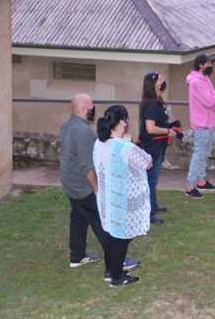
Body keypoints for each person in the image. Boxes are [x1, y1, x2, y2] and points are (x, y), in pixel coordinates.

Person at [92, 105, 153, 287]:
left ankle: (110, 270)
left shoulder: (99, 142)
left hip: (106, 198)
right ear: (122, 122)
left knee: (111, 234)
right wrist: (131, 143)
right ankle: (117, 278)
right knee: (121, 238)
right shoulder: (125, 147)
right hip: (122, 199)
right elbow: (147, 163)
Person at [60, 93, 108, 268]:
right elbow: (87, 166)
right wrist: (97, 189)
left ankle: (77, 256)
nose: (93, 109)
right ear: (83, 108)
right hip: (82, 185)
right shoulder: (83, 131)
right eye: (91, 106)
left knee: (79, 218)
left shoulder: (67, 126)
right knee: (101, 220)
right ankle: (117, 260)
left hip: (69, 182)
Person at [138, 72, 177, 224]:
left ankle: (153, 205)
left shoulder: (157, 100)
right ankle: (150, 212)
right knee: (150, 180)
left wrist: (171, 128)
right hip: (151, 146)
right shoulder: (152, 103)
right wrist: (168, 131)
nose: (163, 81)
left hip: (157, 145)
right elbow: (150, 128)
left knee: (152, 178)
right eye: (160, 79)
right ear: (153, 84)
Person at [185, 53, 215, 199]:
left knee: (204, 155)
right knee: (199, 155)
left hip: (208, 123)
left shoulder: (205, 79)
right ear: (200, 65)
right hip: (202, 124)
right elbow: (211, 102)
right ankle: (190, 186)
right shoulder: (197, 82)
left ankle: (201, 181)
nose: (211, 66)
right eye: (208, 63)